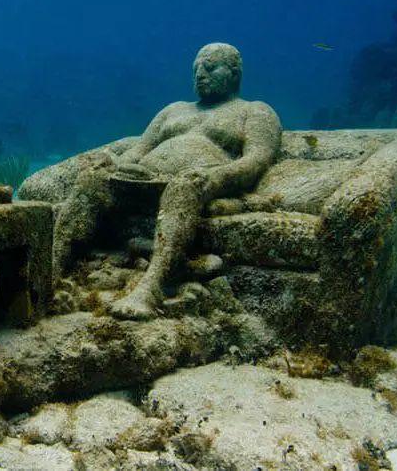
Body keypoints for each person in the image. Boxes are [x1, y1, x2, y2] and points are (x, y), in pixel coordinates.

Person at [53, 43, 282, 320]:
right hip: (146, 180)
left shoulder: (255, 111)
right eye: (196, 68)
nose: (200, 74)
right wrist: (113, 165)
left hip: (200, 183)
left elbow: (256, 160)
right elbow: (138, 151)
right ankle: (51, 272)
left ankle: (151, 288)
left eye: (209, 67)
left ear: (234, 73)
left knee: (184, 186)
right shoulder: (174, 110)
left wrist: (217, 175)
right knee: (92, 179)